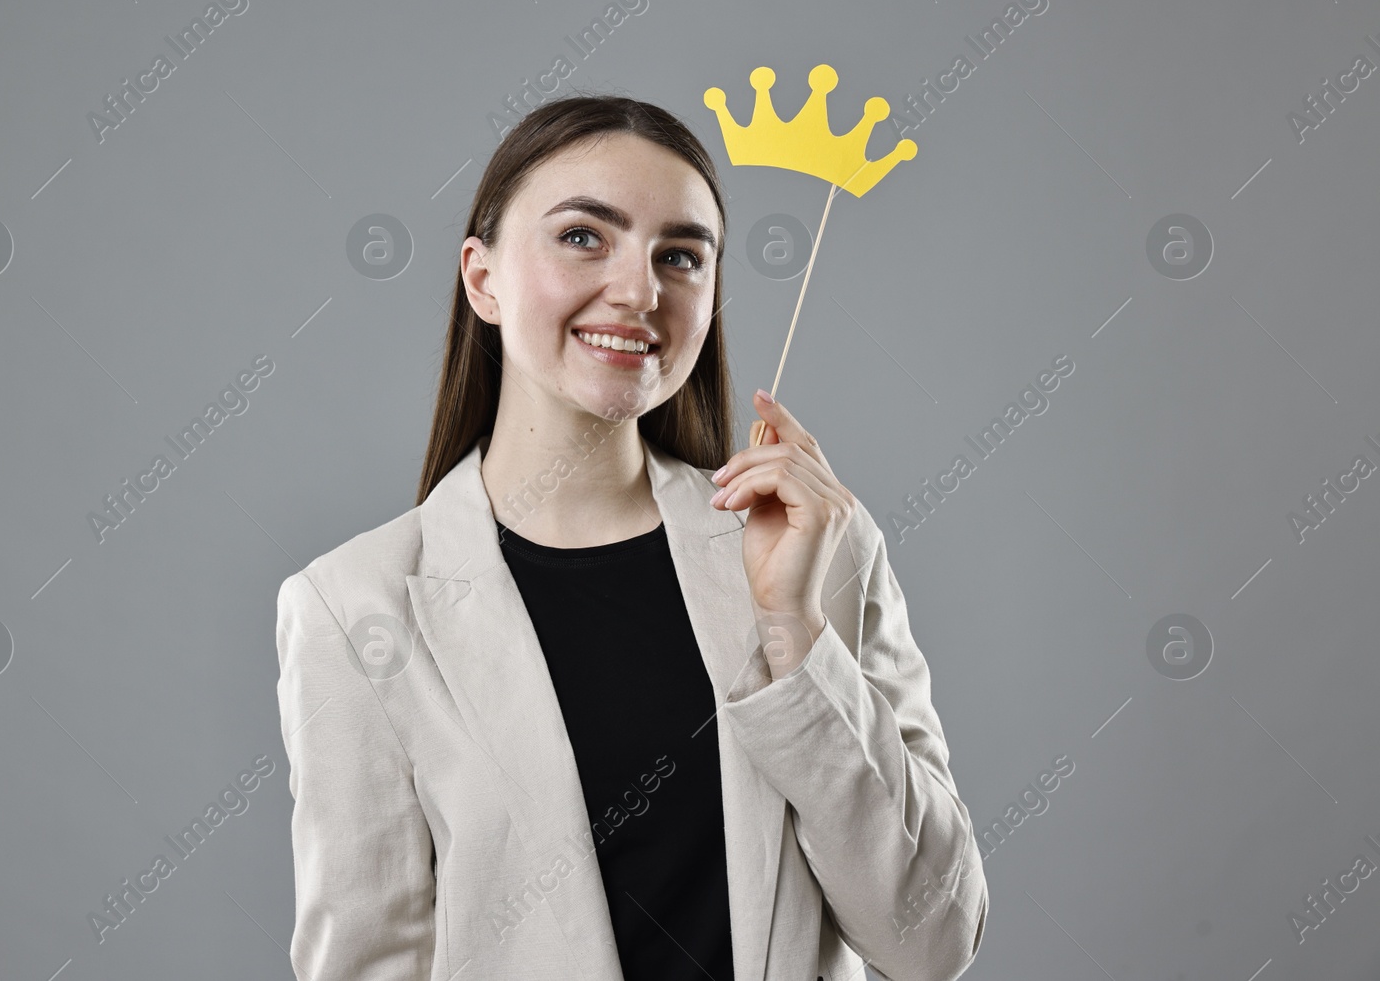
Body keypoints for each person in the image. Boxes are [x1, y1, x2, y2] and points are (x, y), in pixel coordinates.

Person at [275, 92, 988, 981]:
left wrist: (793, 632)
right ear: (482, 277)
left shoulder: (817, 549)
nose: (641, 289)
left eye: (681, 255)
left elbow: (932, 942)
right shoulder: (353, 608)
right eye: (583, 236)